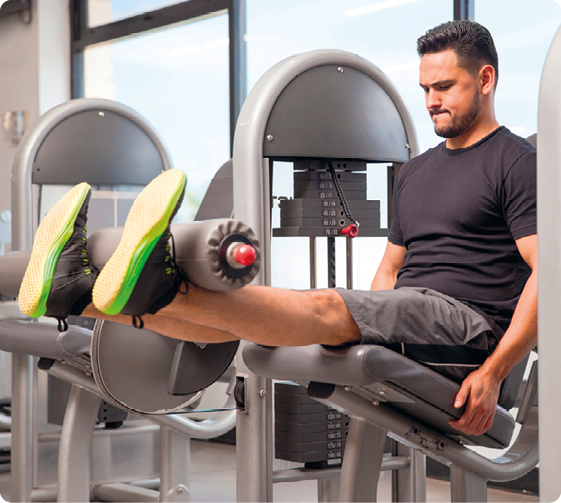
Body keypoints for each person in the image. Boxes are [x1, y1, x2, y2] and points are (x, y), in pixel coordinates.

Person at [18, 20, 536, 438]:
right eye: (424, 88)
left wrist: (494, 370)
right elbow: (392, 268)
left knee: (323, 305)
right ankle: (78, 296)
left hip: (468, 331)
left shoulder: (517, 163)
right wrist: (375, 326)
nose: (430, 101)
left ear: (486, 79)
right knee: (251, 321)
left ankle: (155, 279)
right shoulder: (420, 169)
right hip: (412, 317)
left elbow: (547, 275)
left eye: (444, 87)